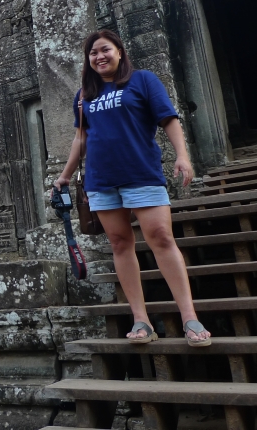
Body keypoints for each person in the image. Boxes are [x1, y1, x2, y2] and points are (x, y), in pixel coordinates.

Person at [54, 30, 211, 347]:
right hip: (101, 180)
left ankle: (189, 317)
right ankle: (141, 320)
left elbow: (168, 119)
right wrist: (65, 176)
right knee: (120, 244)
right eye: (93, 53)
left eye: (105, 50)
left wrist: (182, 156)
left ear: (120, 52)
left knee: (162, 238)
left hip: (141, 173)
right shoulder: (84, 95)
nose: (99, 56)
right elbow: (81, 139)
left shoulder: (143, 81)